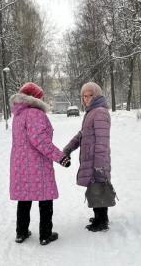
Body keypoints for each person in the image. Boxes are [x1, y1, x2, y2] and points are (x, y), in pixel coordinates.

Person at [9, 82, 70, 245]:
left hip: (20, 164)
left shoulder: (18, 115)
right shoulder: (35, 113)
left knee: (24, 198)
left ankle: (21, 233)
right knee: (45, 198)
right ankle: (45, 234)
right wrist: (60, 157)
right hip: (37, 164)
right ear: (35, 98)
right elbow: (40, 140)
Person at [63, 82, 112, 232]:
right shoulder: (91, 112)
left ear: (96, 95)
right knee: (94, 188)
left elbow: (102, 141)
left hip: (97, 159)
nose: (87, 98)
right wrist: (68, 148)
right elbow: (82, 134)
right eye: (84, 96)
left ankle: (102, 221)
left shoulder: (100, 112)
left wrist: (99, 164)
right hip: (90, 158)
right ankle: (99, 217)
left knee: (98, 187)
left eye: (90, 95)